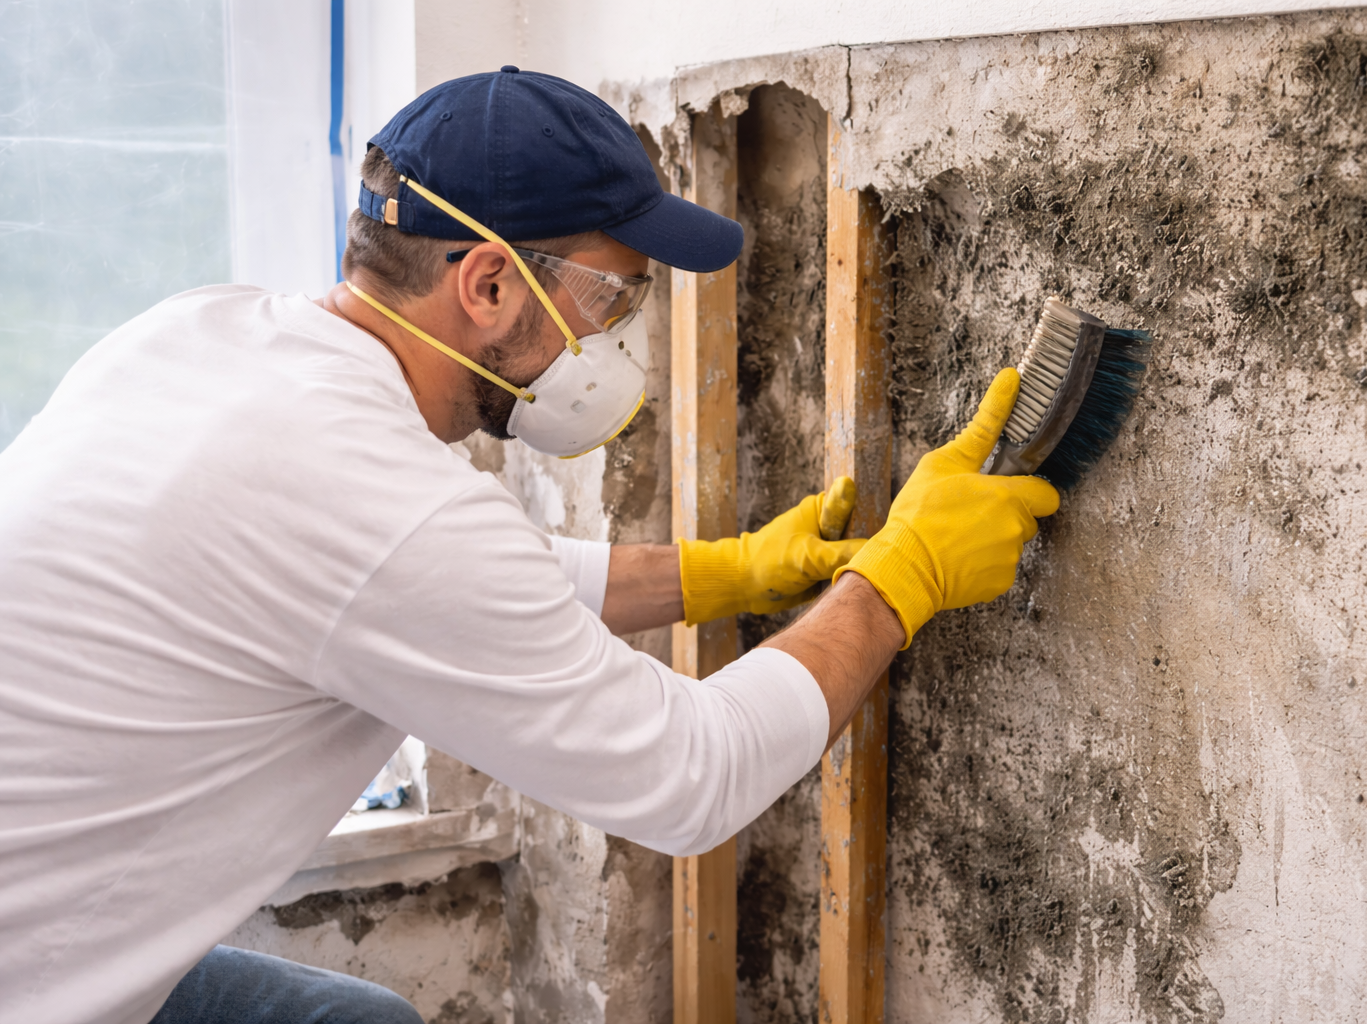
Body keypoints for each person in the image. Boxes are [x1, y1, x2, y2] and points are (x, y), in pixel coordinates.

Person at [0, 69, 1059, 1024]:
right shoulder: (380, 507)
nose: (615, 342)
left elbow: (445, 590)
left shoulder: (205, 334)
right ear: (490, 284)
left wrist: (732, 571)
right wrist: (898, 579)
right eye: (611, 298)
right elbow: (694, 777)